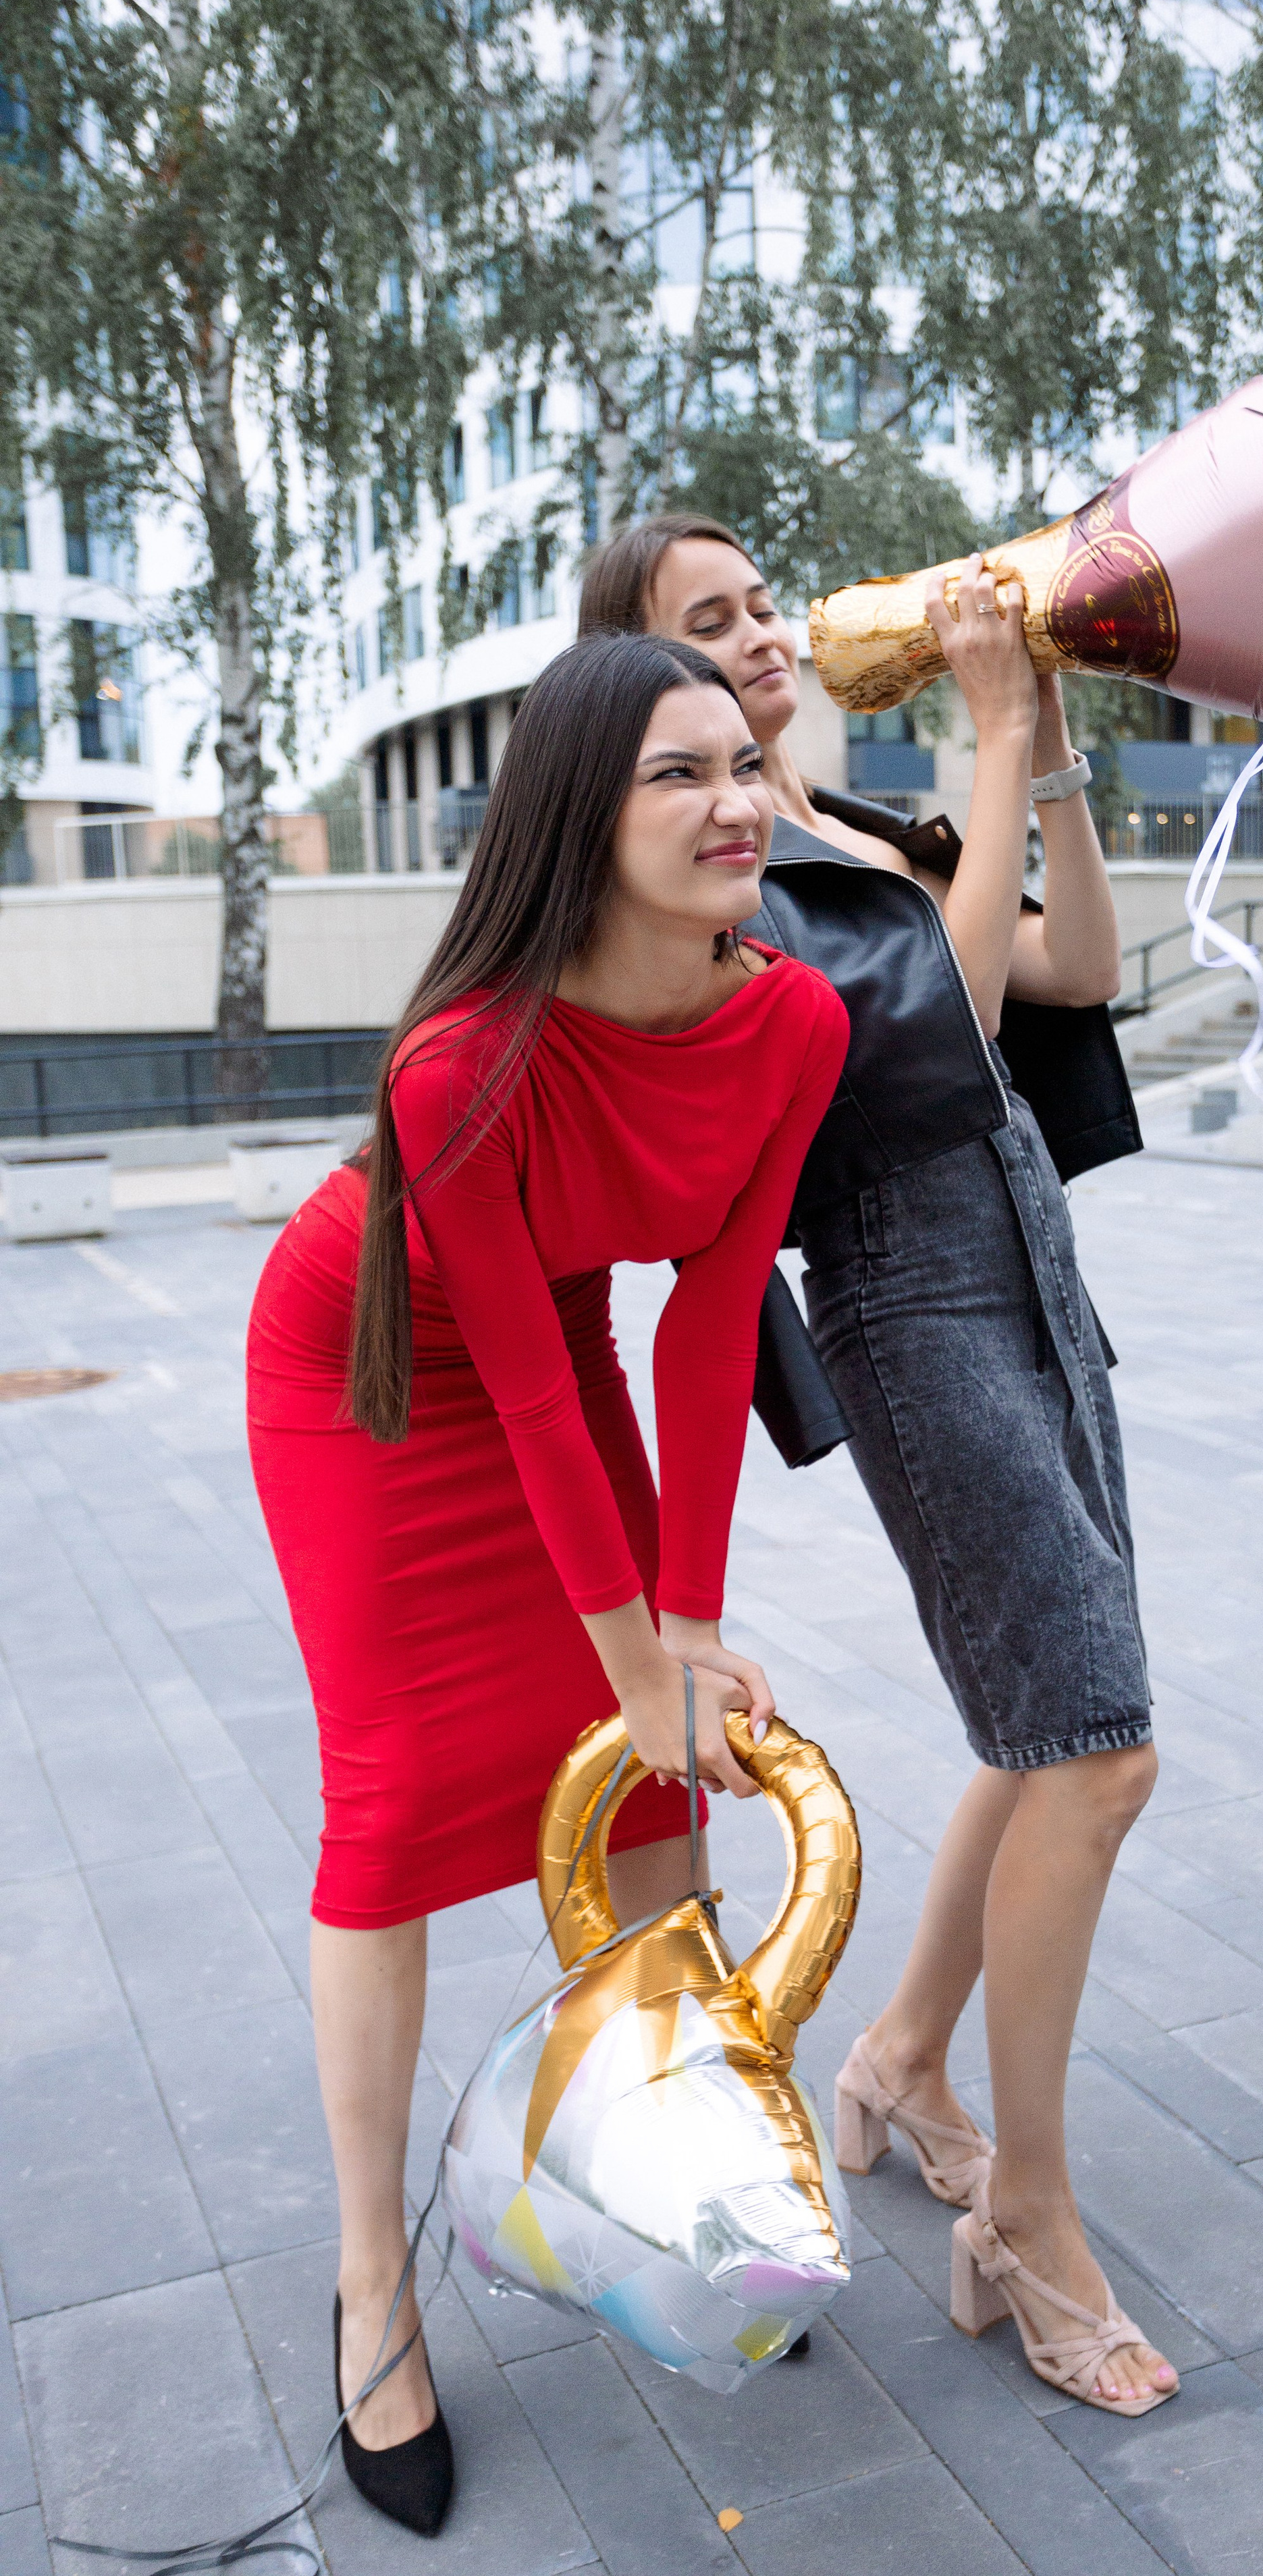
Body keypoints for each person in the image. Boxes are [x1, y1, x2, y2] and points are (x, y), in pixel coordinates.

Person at [246, 634, 848, 2531]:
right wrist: (637, 1651)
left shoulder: (795, 1025)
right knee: (403, 1804)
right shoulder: (464, 1058)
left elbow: (703, 1330)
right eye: (681, 773)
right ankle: (373, 2287)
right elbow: (500, 1379)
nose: (737, 800)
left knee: (661, 1781)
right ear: (578, 818)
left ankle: (667, 2174)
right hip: (364, 1379)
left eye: (746, 760)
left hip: (565, 1344)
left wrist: (682, 1633)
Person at [579, 517, 1179, 2416]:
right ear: (641, 692)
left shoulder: (848, 839)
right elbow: (939, 1051)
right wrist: (990, 737)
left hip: (1029, 1270)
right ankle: (1029, 2214)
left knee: (1053, 1720)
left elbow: (1073, 959)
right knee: (1098, 1746)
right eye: (708, 627)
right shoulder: (721, 881)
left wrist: (1047, 738)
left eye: (763, 605)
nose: (761, 640)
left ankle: (905, 2062)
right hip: (913, 1304)